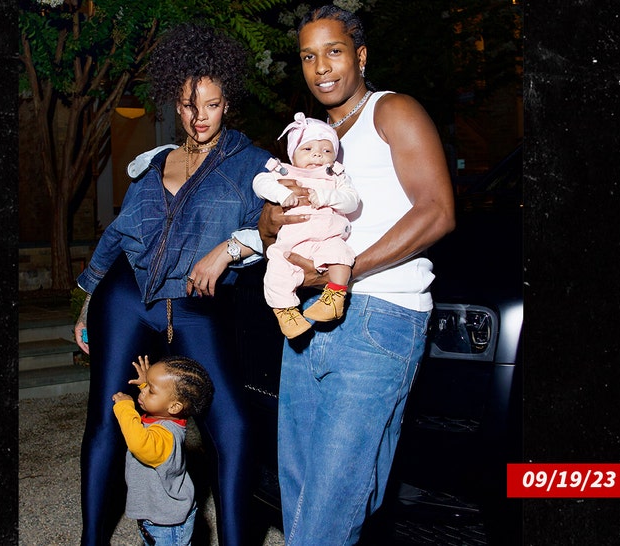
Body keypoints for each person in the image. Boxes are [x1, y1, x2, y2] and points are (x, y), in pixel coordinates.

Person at [258, 5, 456, 545]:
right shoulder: (314, 134)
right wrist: (270, 219)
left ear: (360, 55)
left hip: (379, 316)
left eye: (334, 51)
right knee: (304, 490)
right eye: (307, 56)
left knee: (332, 503)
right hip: (306, 321)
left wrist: (342, 275)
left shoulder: (393, 111)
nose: (320, 67)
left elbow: (437, 210)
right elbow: (276, 218)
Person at [73, 23, 271, 546]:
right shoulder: (155, 162)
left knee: (234, 428)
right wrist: (87, 300)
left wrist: (228, 249)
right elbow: (118, 234)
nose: (198, 116)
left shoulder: (252, 166)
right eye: (187, 105)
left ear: (227, 103)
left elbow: (274, 231)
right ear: (176, 105)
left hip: (193, 308)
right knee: (104, 422)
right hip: (123, 299)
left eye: (210, 104)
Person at [252, 112, 359, 338]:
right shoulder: (283, 171)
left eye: (326, 150)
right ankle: (285, 312)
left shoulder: (335, 176)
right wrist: (280, 193)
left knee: (340, 255)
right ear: (293, 154)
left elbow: (352, 201)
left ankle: (335, 297)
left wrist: (328, 196)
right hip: (292, 242)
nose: (318, 155)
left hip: (327, 237)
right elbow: (259, 182)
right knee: (277, 270)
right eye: (308, 149)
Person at [111, 355, 214, 546]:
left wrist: (125, 408)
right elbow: (162, 401)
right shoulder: (168, 416)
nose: (142, 393)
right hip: (158, 516)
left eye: (151, 390)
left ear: (174, 406)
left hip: (167, 523)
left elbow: (139, 443)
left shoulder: (165, 437)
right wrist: (147, 385)